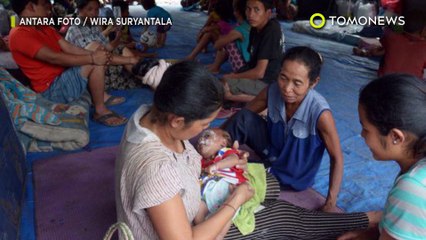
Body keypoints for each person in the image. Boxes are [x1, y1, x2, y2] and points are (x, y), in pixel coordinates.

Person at [115, 60, 381, 239]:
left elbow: (187, 163)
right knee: (281, 216)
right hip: (193, 227)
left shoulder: (148, 116)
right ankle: (366, 219)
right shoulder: (157, 170)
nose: (208, 130)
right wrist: (235, 201)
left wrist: (220, 165)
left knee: (267, 184)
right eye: (206, 124)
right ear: (177, 119)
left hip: (195, 201)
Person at [223, 46, 343, 212]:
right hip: (271, 152)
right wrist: (220, 134)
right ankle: (218, 156)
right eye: (283, 78)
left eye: (297, 83)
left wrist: (330, 202)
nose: (287, 88)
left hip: (292, 173)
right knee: (243, 118)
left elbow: (337, 158)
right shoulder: (272, 91)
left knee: (234, 180)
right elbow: (243, 117)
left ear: (313, 83)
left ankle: (258, 170)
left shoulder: (321, 114)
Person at [9, 0, 127, 126]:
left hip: (63, 78)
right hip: (52, 90)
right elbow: (55, 58)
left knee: (94, 49)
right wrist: (93, 59)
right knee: (94, 60)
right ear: (31, 7)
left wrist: (96, 55)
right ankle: (100, 110)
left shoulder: (45, 28)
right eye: (44, 4)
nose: (49, 8)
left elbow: (71, 49)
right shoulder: (19, 34)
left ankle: (101, 97)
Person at [338, 74, 426, 239]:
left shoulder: (412, 189)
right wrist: (375, 232)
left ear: (396, 137)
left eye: (366, 128)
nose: (362, 135)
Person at [65, 0, 148, 90]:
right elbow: (95, 55)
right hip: (88, 68)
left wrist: (117, 38)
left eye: (96, 10)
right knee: (114, 57)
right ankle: (146, 77)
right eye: (90, 9)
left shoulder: (93, 25)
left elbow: (107, 46)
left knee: (121, 49)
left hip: (101, 58)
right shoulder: (75, 29)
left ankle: (146, 77)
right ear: (79, 10)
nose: (94, 13)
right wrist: (129, 60)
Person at [223, 0, 284, 102]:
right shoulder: (255, 28)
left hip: (268, 83)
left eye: (257, 10)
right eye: (248, 9)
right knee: (222, 82)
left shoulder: (272, 31)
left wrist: (233, 76)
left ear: (268, 13)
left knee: (222, 87)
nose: (251, 14)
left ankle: (267, 101)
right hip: (260, 78)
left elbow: (259, 73)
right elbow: (252, 63)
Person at [207, 0, 250, 74]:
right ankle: (215, 66)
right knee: (227, 39)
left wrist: (221, 38)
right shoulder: (248, 25)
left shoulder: (239, 30)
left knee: (227, 42)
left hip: (244, 69)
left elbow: (217, 45)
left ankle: (215, 67)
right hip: (251, 65)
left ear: (237, 12)